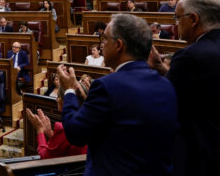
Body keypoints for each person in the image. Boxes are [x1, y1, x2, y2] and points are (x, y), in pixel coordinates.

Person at [58, 14, 178, 176]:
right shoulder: (167, 85)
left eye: (105, 39)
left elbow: (75, 133)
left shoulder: (107, 86)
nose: (102, 45)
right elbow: (123, 120)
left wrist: (70, 90)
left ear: (119, 45)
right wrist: (87, 101)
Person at [147, 0, 220, 176]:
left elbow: (164, 105)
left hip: (204, 160)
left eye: (177, 18)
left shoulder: (189, 56)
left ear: (193, 19)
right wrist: (163, 68)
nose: (176, 24)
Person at [26, 91, 88, 159]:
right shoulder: (88, 120)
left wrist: (39, 130)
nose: (56, 99)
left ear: (65, 101)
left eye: (58, 96)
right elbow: (67, 146)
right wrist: (50, 133)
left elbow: (45, 156)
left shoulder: (64, 129)